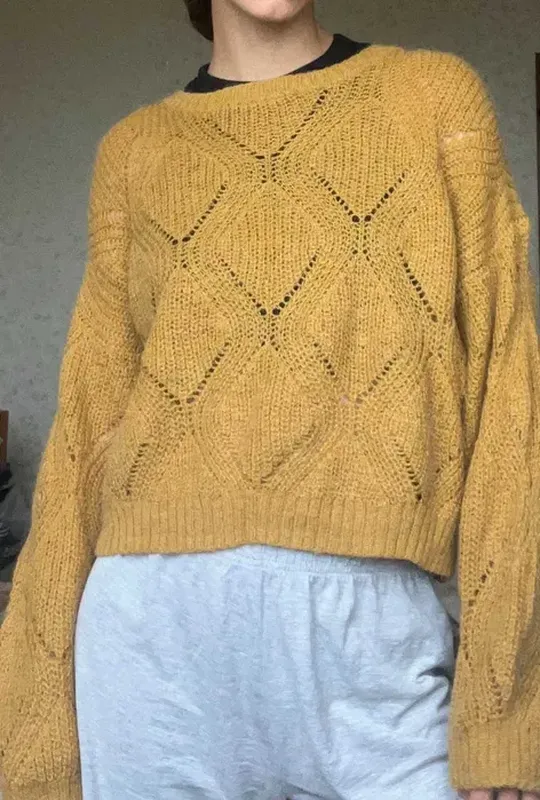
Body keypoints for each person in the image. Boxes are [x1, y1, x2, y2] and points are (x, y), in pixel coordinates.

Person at [1, 0, 539, 798]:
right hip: (152, 641)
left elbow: (507, 390)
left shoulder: (431, 97)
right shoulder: (135, 149)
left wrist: (506, 706)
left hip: (371, 638)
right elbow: (89, 420)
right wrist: (33, 724)